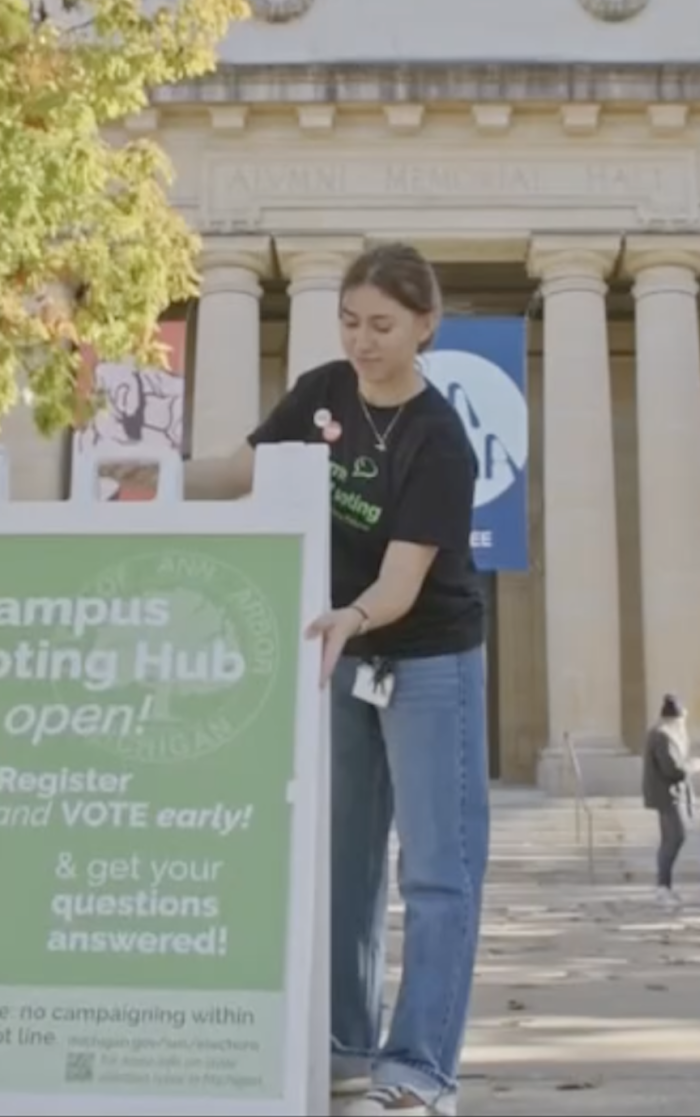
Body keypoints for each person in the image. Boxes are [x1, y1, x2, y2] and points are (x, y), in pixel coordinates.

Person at [183, 242, 489, 1117]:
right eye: (350, 321)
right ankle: (346, 1047)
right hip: (344, 651)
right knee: (344, 861)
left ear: (425, 327)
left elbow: (399, 586)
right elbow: (240, 474)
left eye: (382, 326)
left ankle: (421, 1069)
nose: (362, 341)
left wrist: (350, 618)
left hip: (426, 655)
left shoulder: (440, 440)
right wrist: (153, 476)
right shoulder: (323, 392)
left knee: (437, 872)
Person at [642, 695, 700, 907]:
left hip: (668, 794)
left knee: (670, 839)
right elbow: (671, 769)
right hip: (668, 795)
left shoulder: (661, 735)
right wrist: (693, 767)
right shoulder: (663, 736)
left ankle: (664, 886)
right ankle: (663, 886)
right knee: (676, 837)